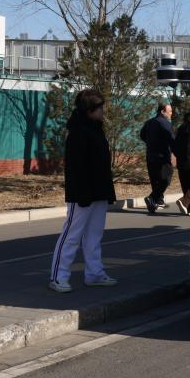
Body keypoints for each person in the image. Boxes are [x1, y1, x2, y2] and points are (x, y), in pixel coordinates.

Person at [49, 89, 118, 292]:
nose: (103, 111)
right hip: (82, 195)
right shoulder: (78, 133)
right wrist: (82, 194)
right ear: (90, 110)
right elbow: (76, 167)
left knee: (94, 236)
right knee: (71, 235)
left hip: (98, 192)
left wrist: (107, 192)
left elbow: (102, 165)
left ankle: (94, 274)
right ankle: (58, 277)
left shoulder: (96, 129)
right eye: (100, 108)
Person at [140, 103, 175, 214]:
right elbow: (171, 139)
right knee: (166, 178)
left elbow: (142, 135)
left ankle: (157, 201)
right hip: (162, 156)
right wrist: (175, 152)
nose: (171, 113)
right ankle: (152, 198)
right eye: (169, 111)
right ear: (162, 112)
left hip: (150, 155)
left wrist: (151, 143)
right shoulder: (165, 123)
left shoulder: (149, 122)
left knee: (155, 180)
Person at [174, 111, 190, 216]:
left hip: (181, 161)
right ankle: (184, 202)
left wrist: (179, 156)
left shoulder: (180, 129)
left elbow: (174, 146)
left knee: (185, 185)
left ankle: (189, 209)